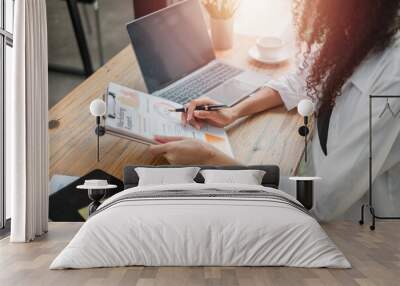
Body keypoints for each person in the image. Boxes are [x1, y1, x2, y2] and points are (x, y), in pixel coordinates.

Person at [149, 0, 400, 221]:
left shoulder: (392, 77)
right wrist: (234, 111)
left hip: (353, 225)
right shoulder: (360, 30)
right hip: (307, 180)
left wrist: (210, 160)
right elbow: (302, 80)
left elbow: (325, 201)